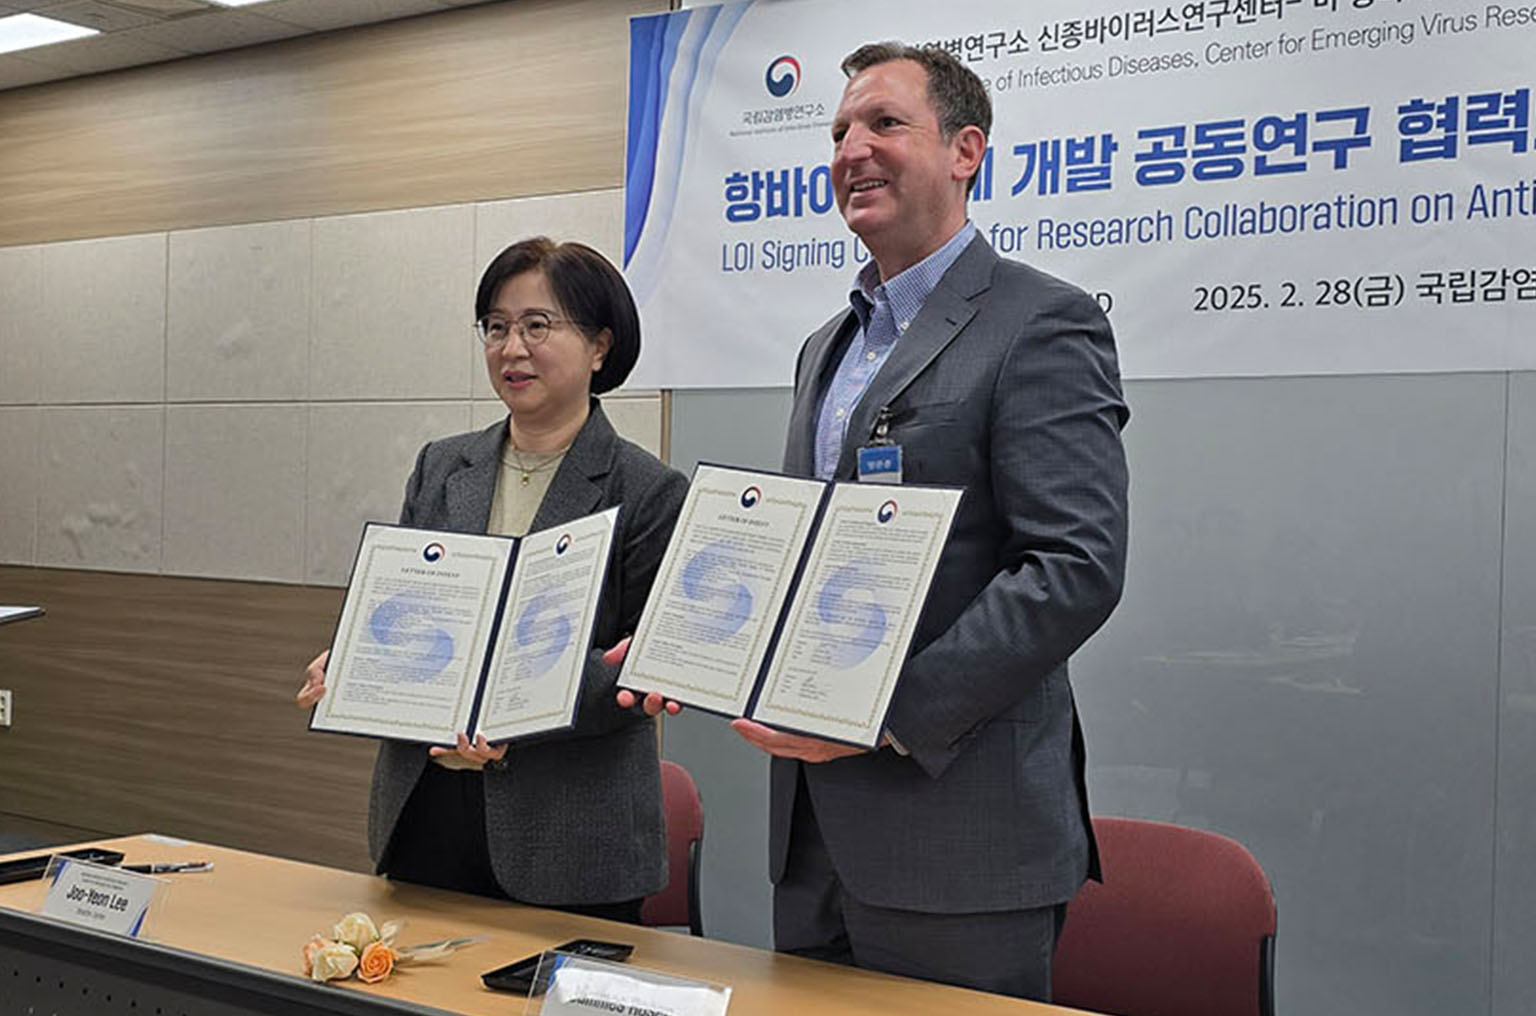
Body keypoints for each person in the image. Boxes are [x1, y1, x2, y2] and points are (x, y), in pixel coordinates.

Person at [622, 43, 1129, 998]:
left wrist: (885, 716)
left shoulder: (1040, 321)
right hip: (811, 837)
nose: (853, 148)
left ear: (965, 149)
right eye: (840, 131)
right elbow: (801, 559)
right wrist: (685, 643)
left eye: (885, 124)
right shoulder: (829, 345)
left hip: (961, 843)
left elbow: (1074, 566)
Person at [299, 237, 688, 922]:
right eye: (497, 327)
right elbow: (408, 610)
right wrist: (358, 660)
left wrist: (503, 707)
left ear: (600, 347)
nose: (513, 349)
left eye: (538, 326)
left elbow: (638, 669)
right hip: (429, 807)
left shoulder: (647, 489)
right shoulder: (443, 466)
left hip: (570, 830)